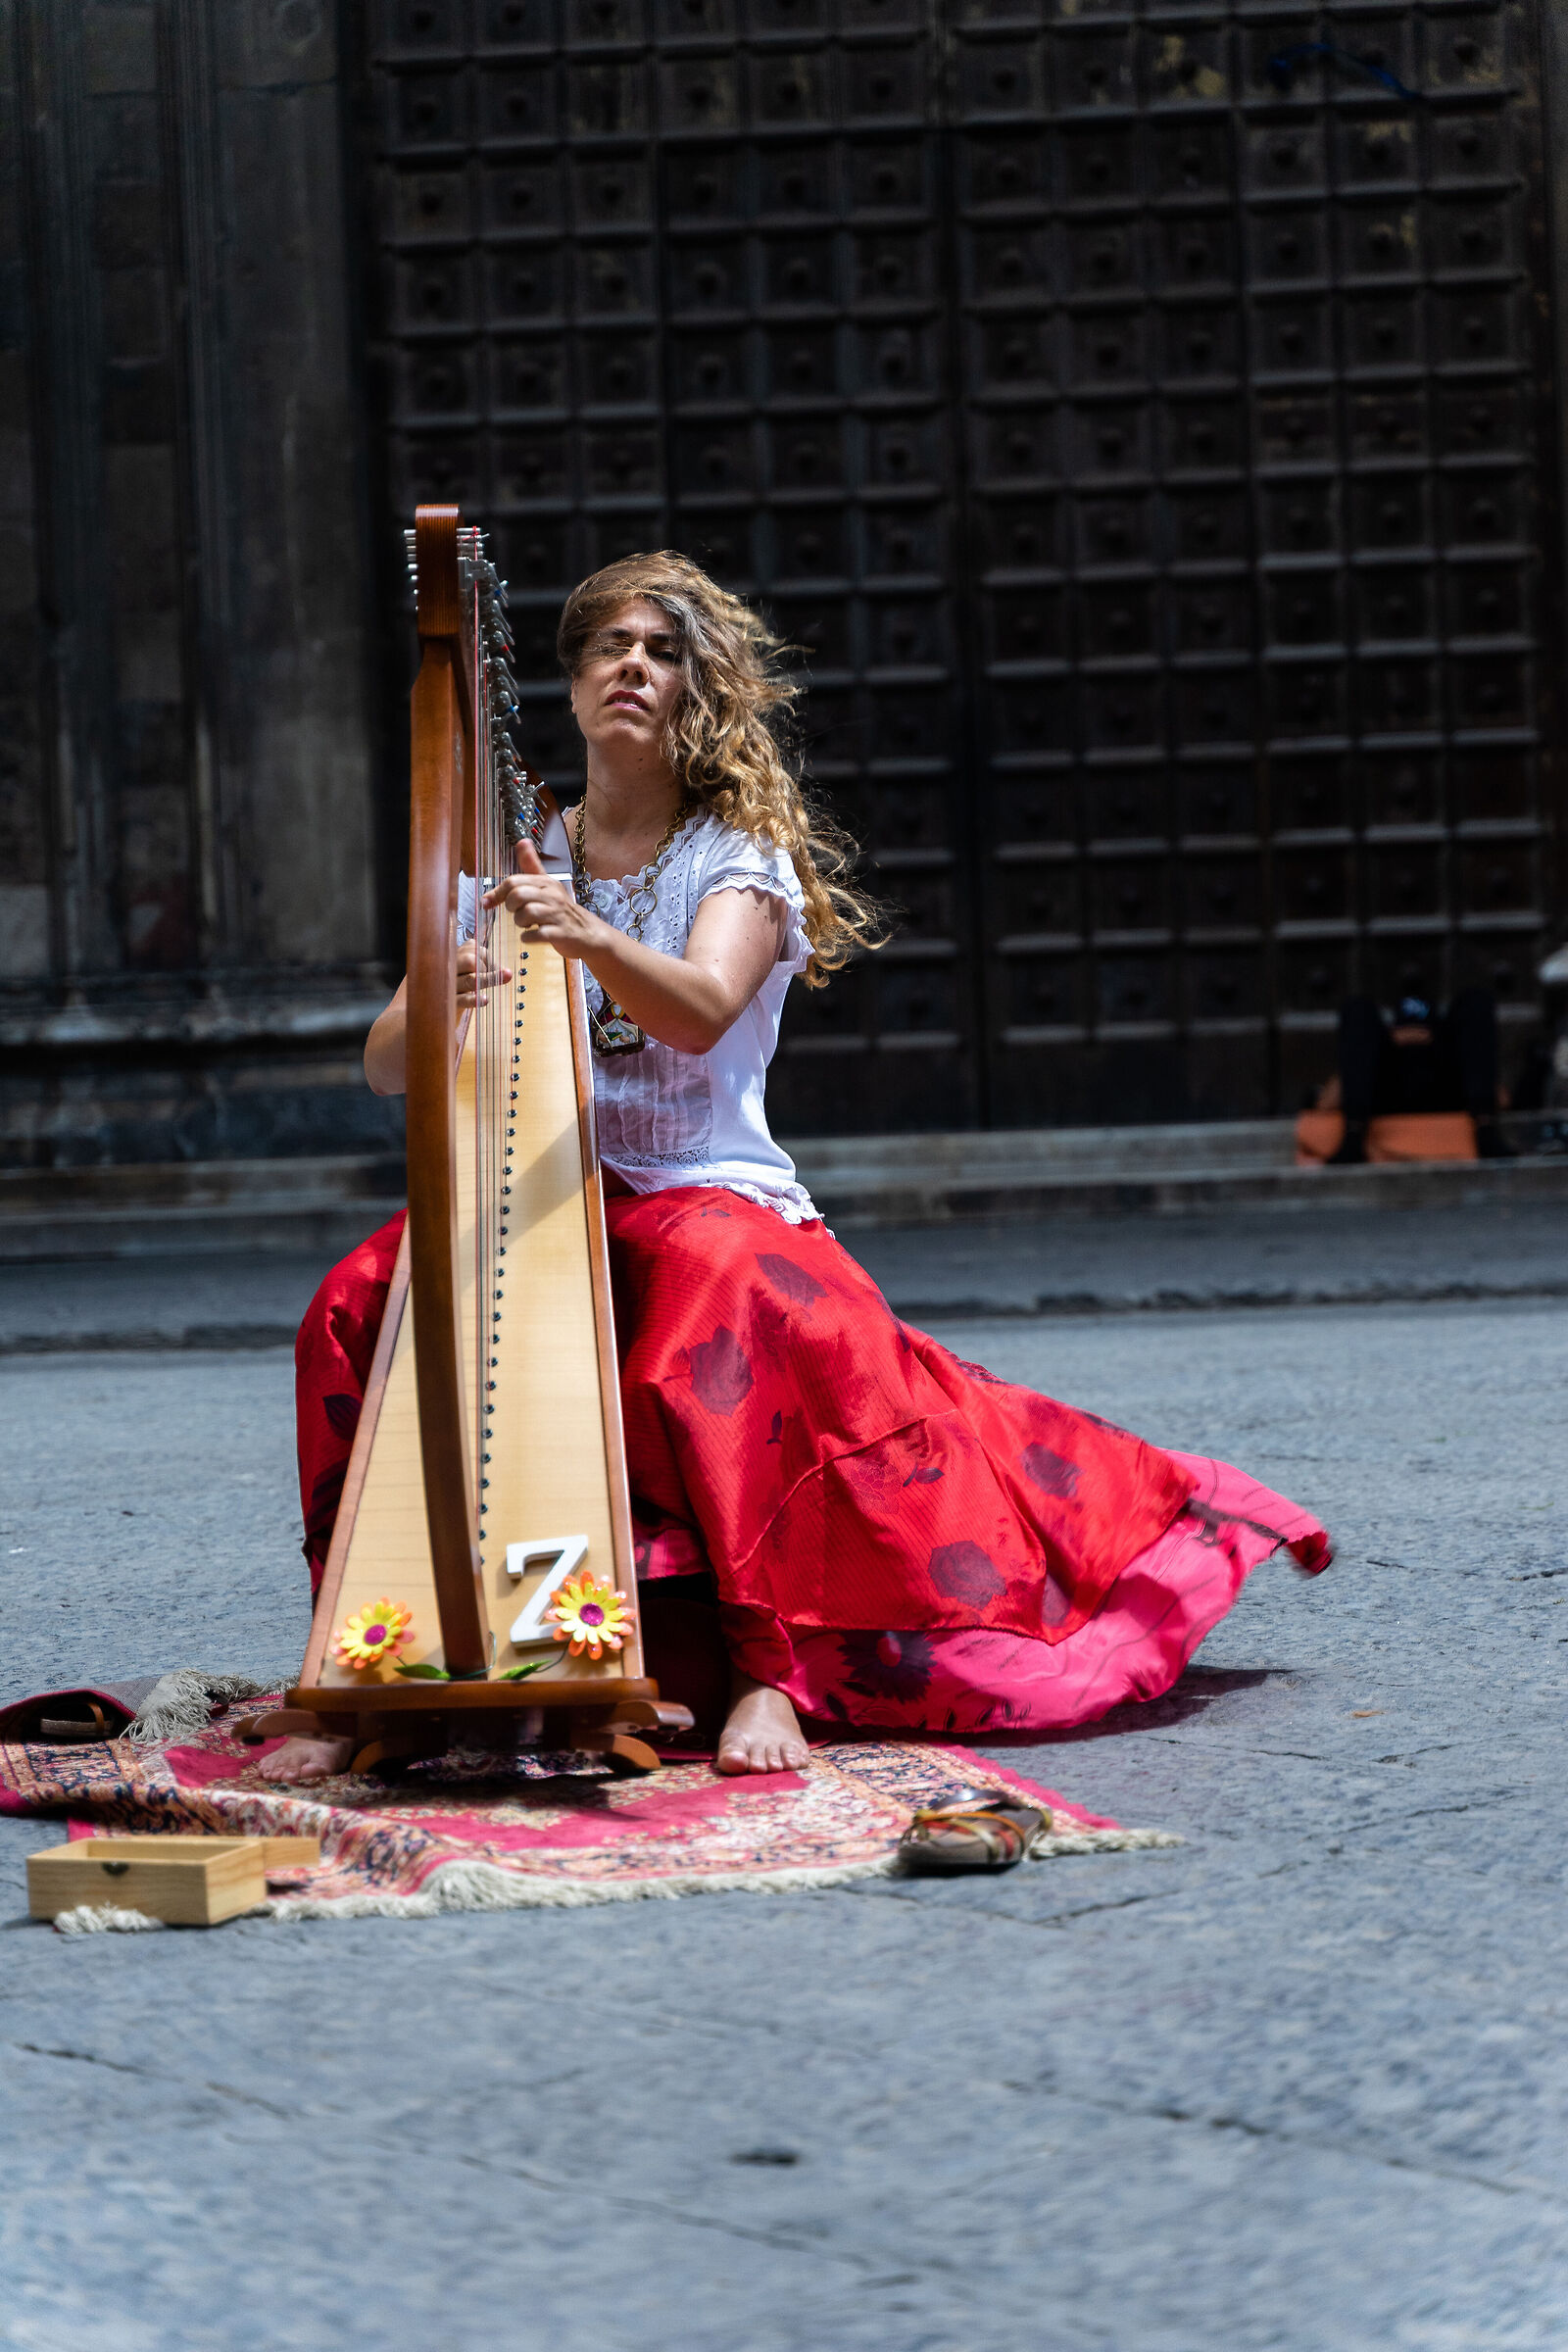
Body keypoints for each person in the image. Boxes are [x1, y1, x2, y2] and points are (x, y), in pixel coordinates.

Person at [263, 554, 1329, 1786]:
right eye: (611, 646)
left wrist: (589, 932)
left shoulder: (738, 858)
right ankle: (356, 1663)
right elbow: (389, 1068)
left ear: (695, 694)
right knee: (351, 1298)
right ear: (563, 684)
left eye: (663, 654)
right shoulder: (511, 859)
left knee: (719, 1297)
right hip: (552, 1201)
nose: (634, 669)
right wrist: (444, 987)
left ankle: (766, 1668)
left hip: (708, 1195)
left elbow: (703, 1008)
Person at [1329, 987, 1513, 1163]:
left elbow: (1502, 1099)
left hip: (1444, 1090)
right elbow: (1327, 1102)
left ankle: (1486, 1129)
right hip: (1385, 1095)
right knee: (1357, 1008)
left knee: (1475, 1000)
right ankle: (1353, 1135)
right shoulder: (1382, 1050)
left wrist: (1436, 1045)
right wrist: (1383, 1047)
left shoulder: (1443, 1047)